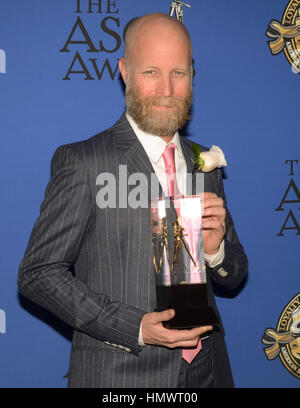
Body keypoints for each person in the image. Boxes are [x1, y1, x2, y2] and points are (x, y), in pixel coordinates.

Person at [18, 12, 247, 388]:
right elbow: (39, 274)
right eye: (150, 72)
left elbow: (233, 274)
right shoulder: (85, 162)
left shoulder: (205, 164)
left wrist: (215, 252)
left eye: (179, 72)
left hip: (208, 374)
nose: (167, 90)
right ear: (125, 71)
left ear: (192, 75)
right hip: (121, 378)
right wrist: (137, 327)